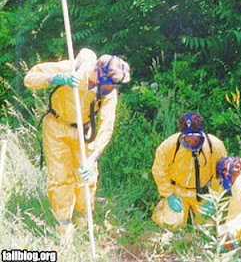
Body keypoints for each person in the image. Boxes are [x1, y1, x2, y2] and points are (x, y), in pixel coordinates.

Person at [24, 48, 131, 242]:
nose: (109, 90)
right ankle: (64, 225)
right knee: (60, 177)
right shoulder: (70, 69)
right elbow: (30, 78)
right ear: (98, 72)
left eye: (113, 86)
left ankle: (83, 216)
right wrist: (55, 79)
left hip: (85, 131)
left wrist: (93, 157)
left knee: (87, 176)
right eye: (108, 84)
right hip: (57, 126)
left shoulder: (108, 92)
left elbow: (107, 125)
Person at [151, 112, 227, 230]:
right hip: (178, 191)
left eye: (195, 139)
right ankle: (162, 209)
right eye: (187, 138)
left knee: (209, 228)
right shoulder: (170, 145)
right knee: (172, 225)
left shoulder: (214, 146)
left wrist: (214, 198)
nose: (191, 142)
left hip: (203, 193)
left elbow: (220, 174)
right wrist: (169, 194)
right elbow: (159, 169)